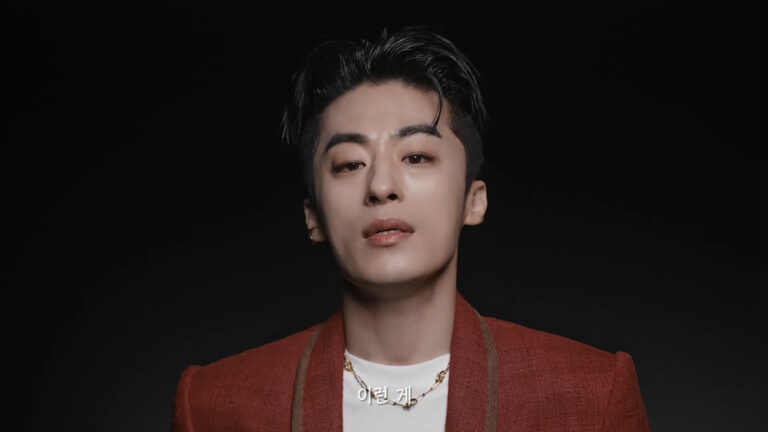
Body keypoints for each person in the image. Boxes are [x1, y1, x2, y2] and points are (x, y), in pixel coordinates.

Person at [170, 25, 651, 432]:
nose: (381, 186)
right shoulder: (212, 405)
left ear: (474, 200)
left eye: (416, 156)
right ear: (312, 217)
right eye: (350, 163)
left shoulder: (590, 394)